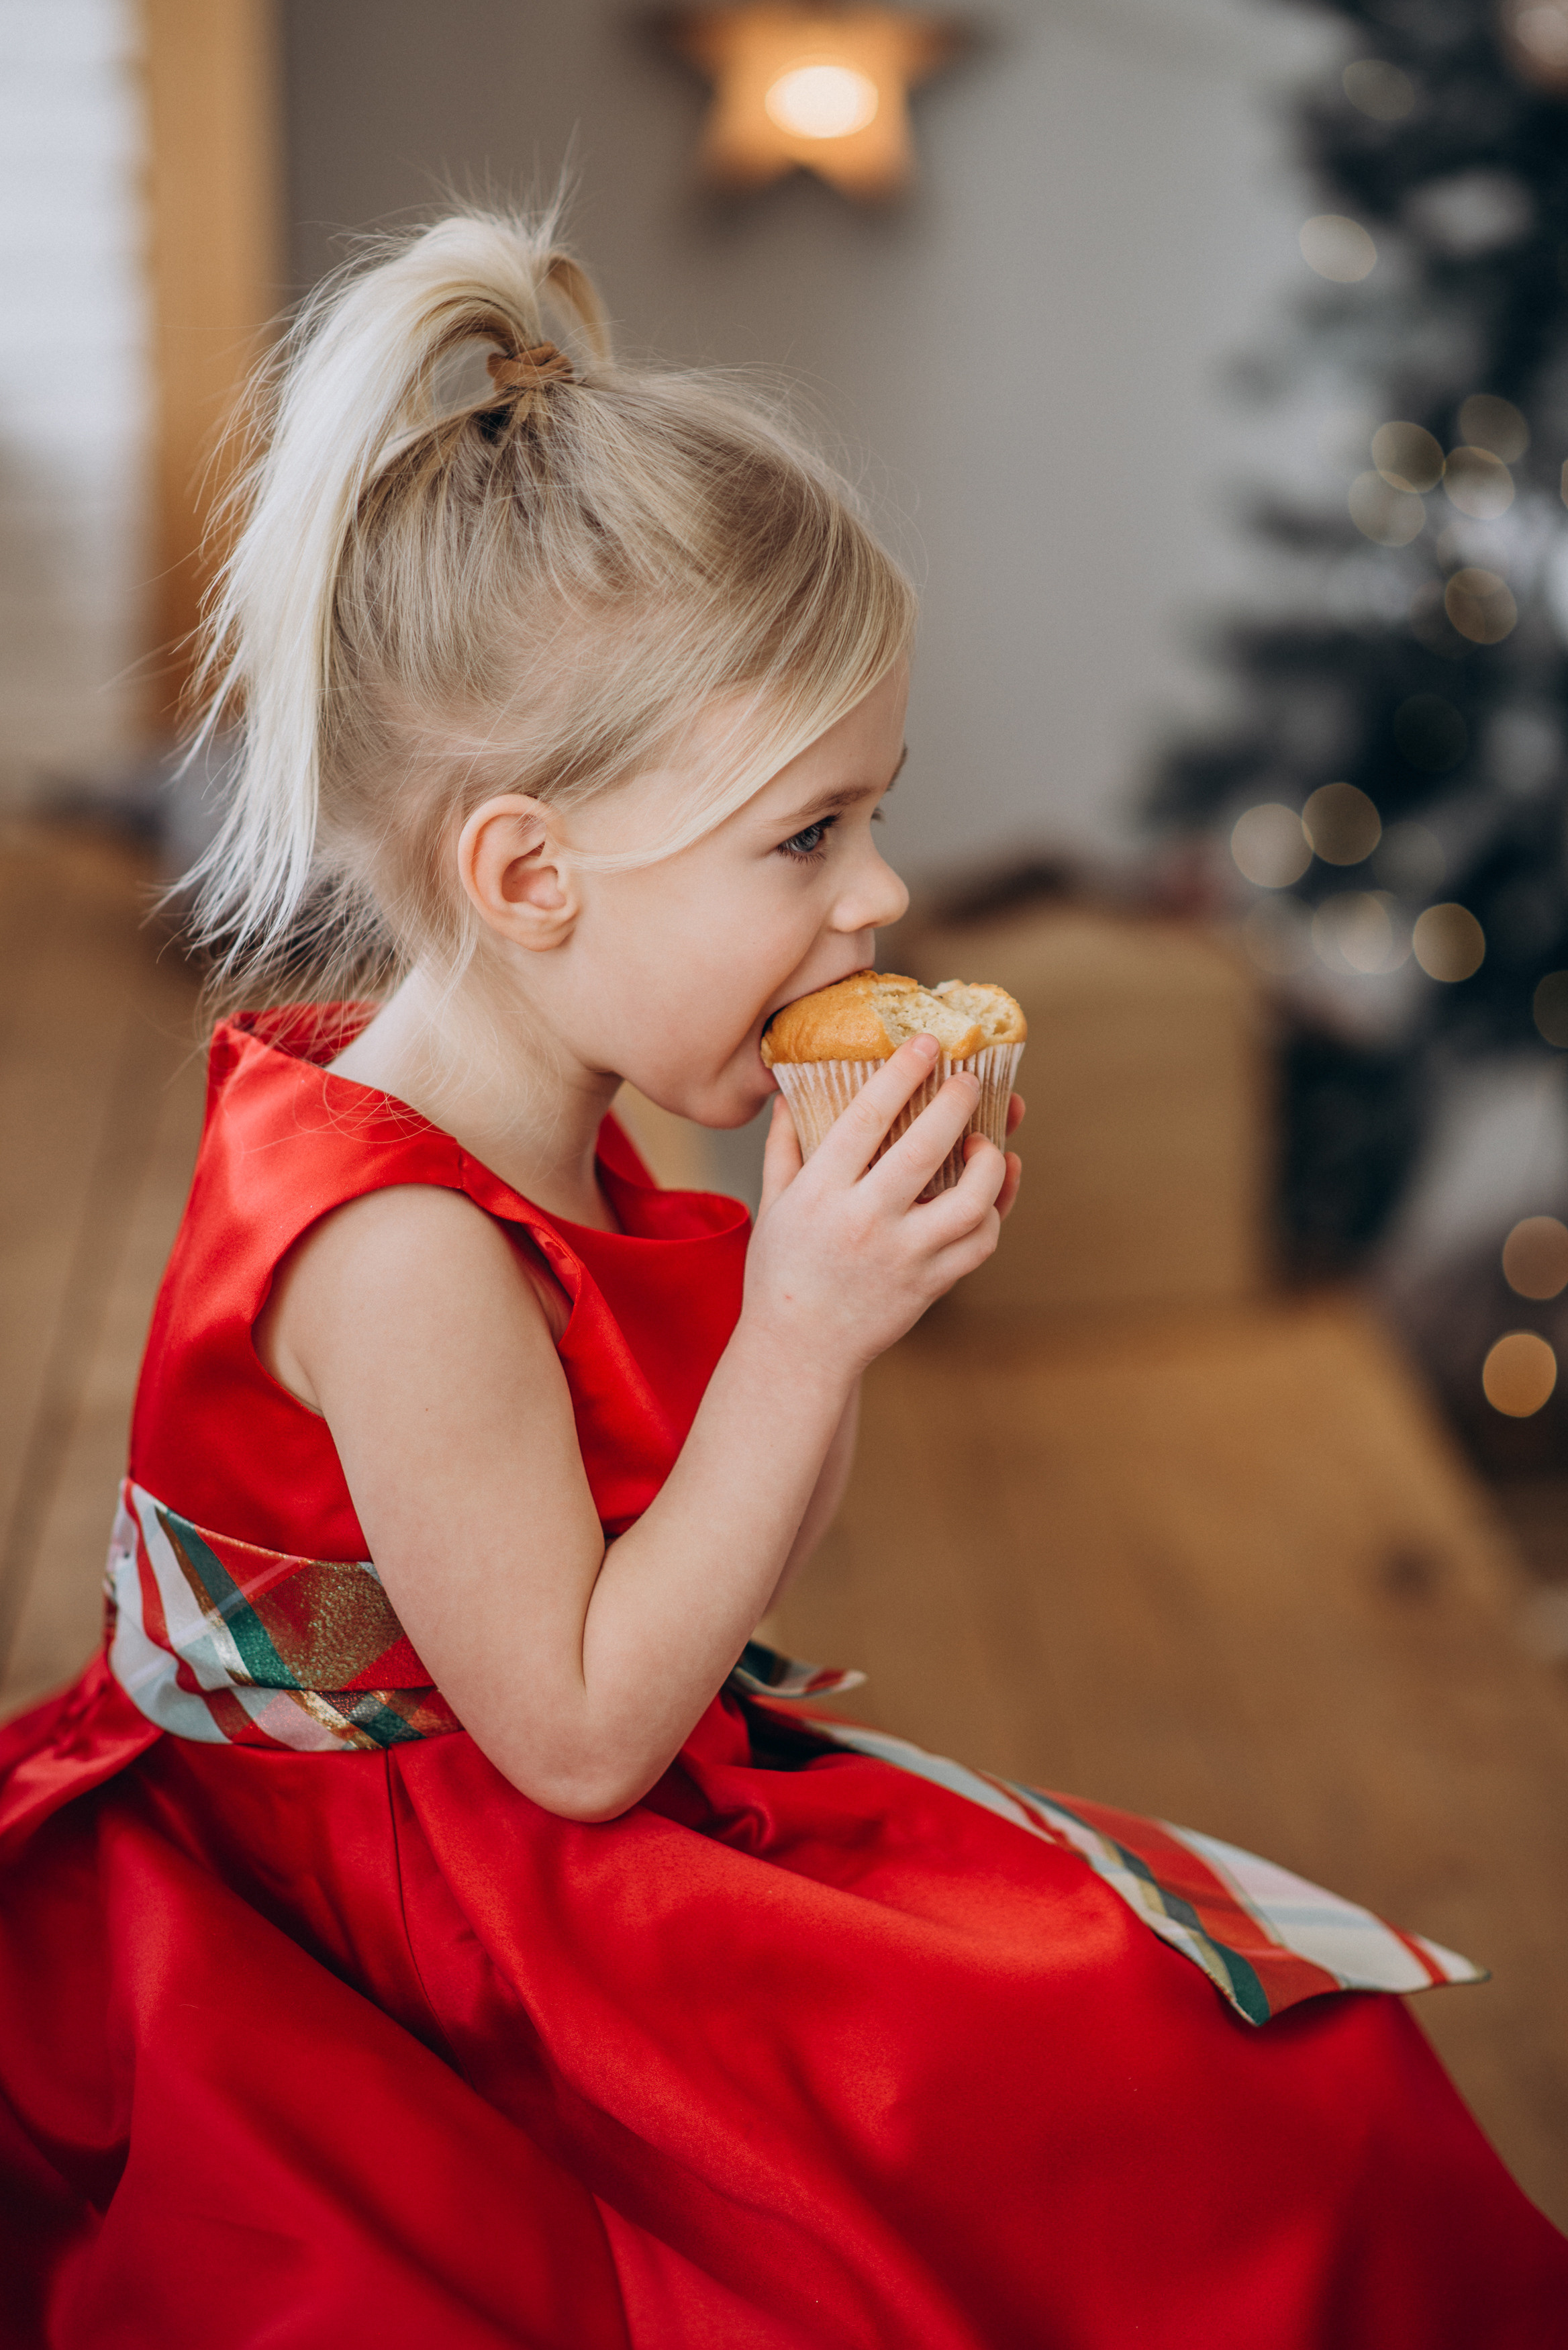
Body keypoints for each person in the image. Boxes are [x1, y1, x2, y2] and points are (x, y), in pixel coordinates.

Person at [1, 211, 1562, 2350]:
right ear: (532, 873)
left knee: (1288, 2062)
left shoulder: (578, 1115)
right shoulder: (400, 1243)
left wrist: (823, 1315)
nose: (889, 889)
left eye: (873, 816)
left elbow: (723, 1556)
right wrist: (800, 1323)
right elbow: (568, 1731)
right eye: (805, 837)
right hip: (399, 1929)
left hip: (550, 1827)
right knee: (1116, 2124)